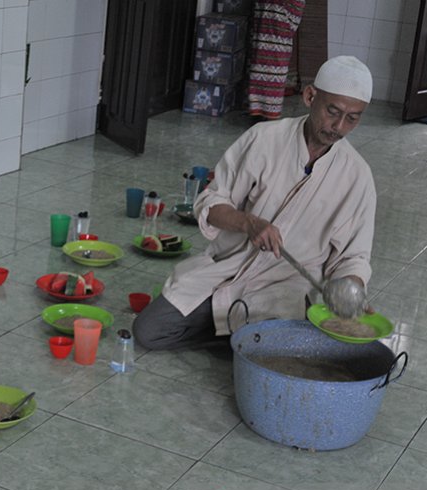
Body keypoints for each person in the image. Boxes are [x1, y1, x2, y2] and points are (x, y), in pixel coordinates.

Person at [133, 56, 375, 350]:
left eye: (352, 118)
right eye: (332, 111)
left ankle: (247, 341)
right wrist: (250, 223)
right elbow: (211, 203)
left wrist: (351, 292)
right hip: (229, 269)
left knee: (287, 340)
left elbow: (354, 256)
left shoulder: (357, 175)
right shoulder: (264, 139)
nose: (338, 126)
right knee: (149, 331)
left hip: (286, 289)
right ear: (310, 96)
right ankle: (243, 343)